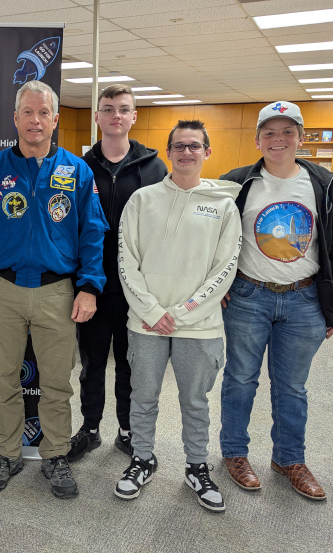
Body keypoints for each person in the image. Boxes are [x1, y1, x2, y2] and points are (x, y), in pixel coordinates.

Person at [0, 80, 108, 499]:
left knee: (57, 382)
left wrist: (90, 287)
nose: (35, 120)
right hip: (1, 290)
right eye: (28, 112)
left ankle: (55, 454)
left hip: (57, 292)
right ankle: (7, 453)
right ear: (15, 118)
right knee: (3, 380)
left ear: (55, 119)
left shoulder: (77, 171)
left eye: (43, 113)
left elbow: (92, 233)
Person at [219, 101, 333, 501]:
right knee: (240, 379)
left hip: (304, 299)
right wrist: (218, 282)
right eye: (269, 132)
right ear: (257, 139)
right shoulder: (236, 182)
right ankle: (234, 453)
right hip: (247, 296)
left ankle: (289, 459)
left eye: (287, 132)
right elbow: (216, 239)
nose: (279, 139)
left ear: (301, 137)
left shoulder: (322, 182)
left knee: (292, 387)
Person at [115, 120, 242, 512]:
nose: (187, 152)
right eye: (180, 146)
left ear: (207, 152)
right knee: (143, 396)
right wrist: (153, 311)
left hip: (200, 326)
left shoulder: (224, 205)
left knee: (195, 401)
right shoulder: (142, 200)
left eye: (195, 146)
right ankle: (142, 459)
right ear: (168, 152)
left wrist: (183, 311)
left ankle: (196, 466)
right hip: (146, 322)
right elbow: (126, 260)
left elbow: (226, 268)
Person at [69, 84, 167, 462]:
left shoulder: (154, 168)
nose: (116, 115)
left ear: (133, 117)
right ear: (97, 116)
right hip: (90, 286)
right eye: (108, 109)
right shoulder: (78, 168)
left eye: (123, 109)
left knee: (130, 365)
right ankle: (90, 429)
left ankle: (127, 431)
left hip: (135, 289)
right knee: (92, 363)